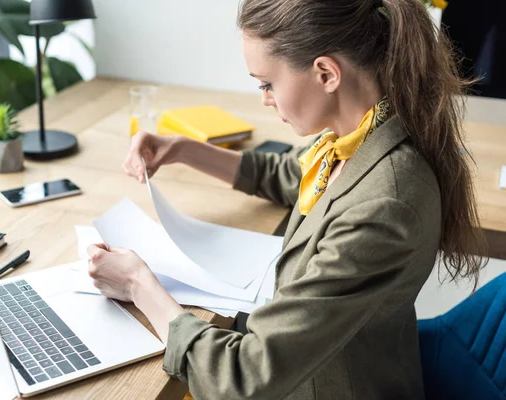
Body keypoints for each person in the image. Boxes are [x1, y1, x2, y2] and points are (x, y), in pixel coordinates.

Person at [87, 0, 486, 398]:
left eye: (267, 84)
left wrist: (140, 284)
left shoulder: (384, 205)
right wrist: (183, 149)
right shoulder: (363, 133)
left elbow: (244, 377)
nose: (264, 98)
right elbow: (294, 178)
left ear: (326, 73)